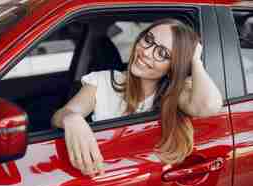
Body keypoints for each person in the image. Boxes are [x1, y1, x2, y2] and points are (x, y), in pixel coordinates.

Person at [51, 18, 223, 177]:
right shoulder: (103, 81)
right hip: (102, 178)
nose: (147, 52)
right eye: (148, 40)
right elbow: (63, 114)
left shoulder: (175, 94)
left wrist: (195, 60)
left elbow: (209, 106)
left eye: (162, 53)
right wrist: (71, 118)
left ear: (173, 67)